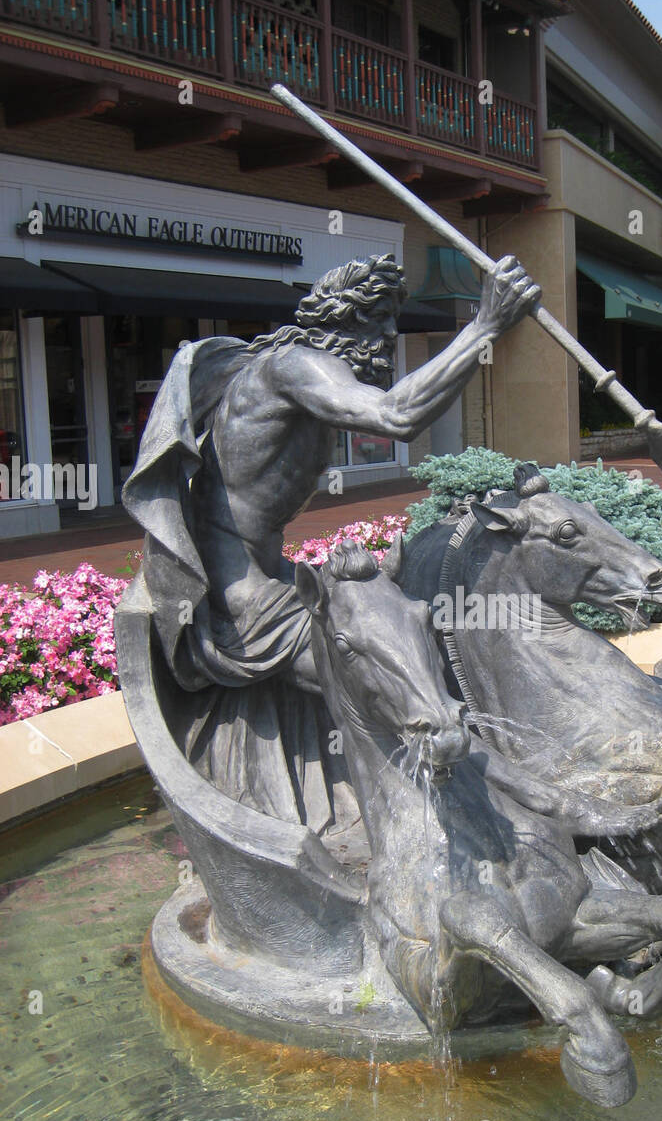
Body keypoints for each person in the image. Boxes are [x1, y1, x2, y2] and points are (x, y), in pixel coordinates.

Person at [122, 252, 540, 827]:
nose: (391, 337)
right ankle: (507, 813)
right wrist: (485, 326)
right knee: (395, 683)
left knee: (403, 639)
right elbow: (396, 415)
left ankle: (458, 807)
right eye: (380, 322)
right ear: (344, 319)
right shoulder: (294, 368)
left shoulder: (295, 374)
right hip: (237, 601)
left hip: (265, 575)